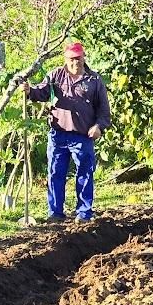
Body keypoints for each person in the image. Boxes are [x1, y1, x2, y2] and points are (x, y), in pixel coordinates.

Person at [25, 41, 111, 222]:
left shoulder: (94, 80)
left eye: (78, 58)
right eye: (71, 59)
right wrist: (28, 91)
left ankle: (84, 213)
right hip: (58, 135)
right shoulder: (56, 75)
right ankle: (55, 213)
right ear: (66, 59)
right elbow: (41, 92)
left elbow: (104, 110)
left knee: (85, 174)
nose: (75, 62)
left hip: (83, 135)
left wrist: (99, 126)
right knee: (55, 173)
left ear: (83, 57)